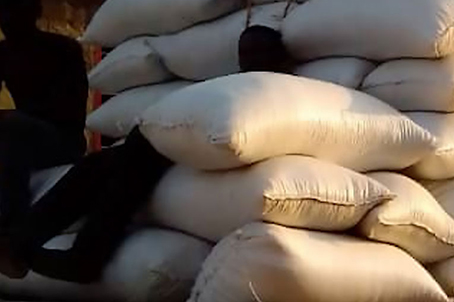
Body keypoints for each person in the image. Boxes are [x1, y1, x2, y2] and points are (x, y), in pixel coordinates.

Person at [0, 25, 294, 282]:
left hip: (205, 146)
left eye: (260, 53)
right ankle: (21, 242)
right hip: (190, 143)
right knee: (98, 165)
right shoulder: (236, 83)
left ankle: (85, 258)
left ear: (280, 59)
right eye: (246, 54)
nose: (250, 61)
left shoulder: (283, 91)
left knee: (134, 169)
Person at [0, 0, 89, 234]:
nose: (7, 19)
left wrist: (10, 118)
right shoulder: (3, 54)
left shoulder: (63, 50)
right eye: (3, 10)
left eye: (15, 10)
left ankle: (10, 226)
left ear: (35, 12)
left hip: (63, 141)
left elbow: (70, 111)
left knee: (13, 126)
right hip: (19, 135)